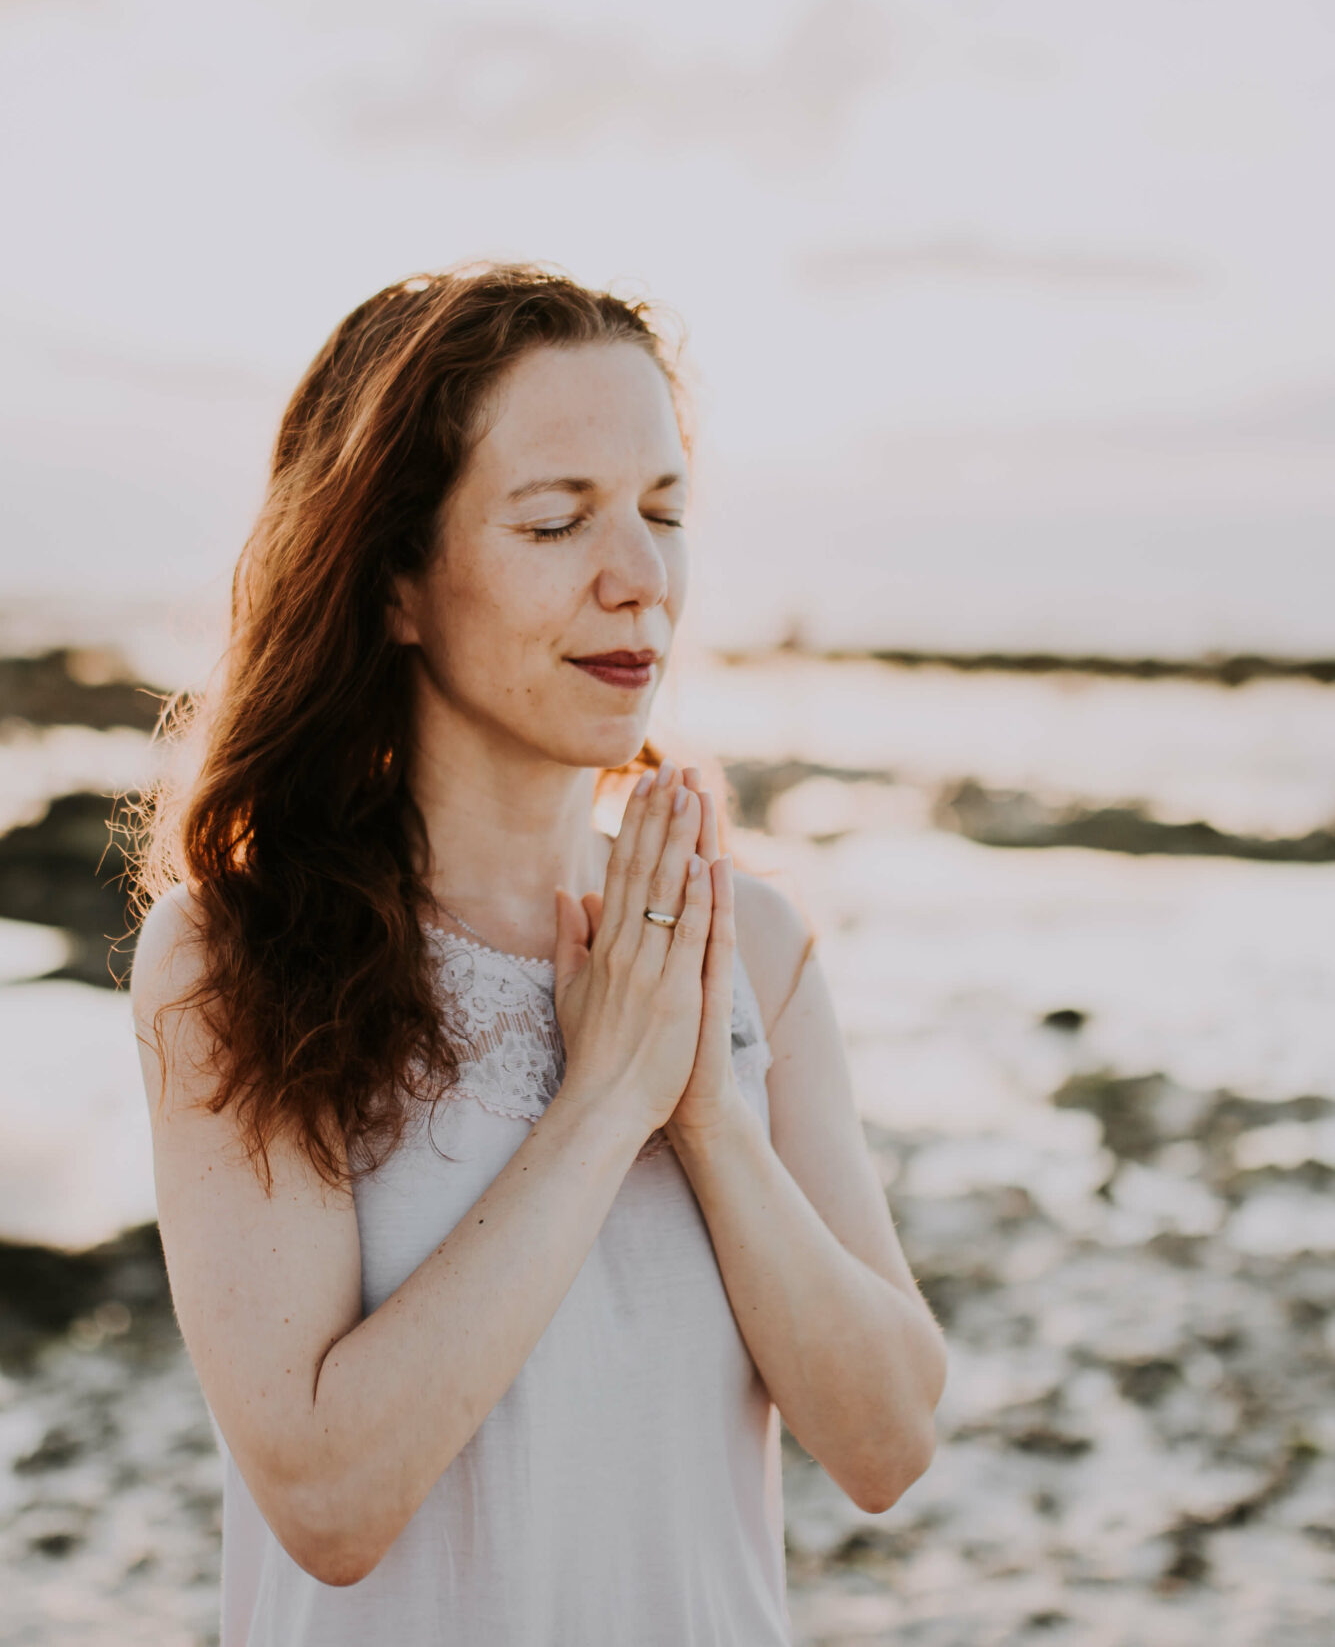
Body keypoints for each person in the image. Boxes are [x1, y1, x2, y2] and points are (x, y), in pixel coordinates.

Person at [130, 263, 946, 1647]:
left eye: (665, 514)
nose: (638, 580)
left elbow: (887, 1441)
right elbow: (328, 1499)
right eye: (558, 522)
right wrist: (605, 1104)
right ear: (395, 582)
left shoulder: (747, 942)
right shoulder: (236, 952)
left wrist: (706, 1119)